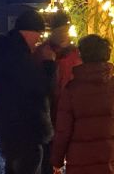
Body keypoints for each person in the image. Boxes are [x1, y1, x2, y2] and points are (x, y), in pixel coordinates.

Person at [0, 10, 56, 174]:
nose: (38, 40)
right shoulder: (18, 56)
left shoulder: (3, 52)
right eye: (38, 34)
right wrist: (49, 65)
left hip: (9, 128)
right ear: (29, 32)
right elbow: (40, 88)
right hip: (26, 129)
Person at [51, 35, 114, 174]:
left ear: (82, 55)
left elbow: (63, 130)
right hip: (112, 159)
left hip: (81, 160)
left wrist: (57, 160)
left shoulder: (72, 89)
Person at [36, 12, 81, 174]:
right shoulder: (42, 53)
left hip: (70, 111)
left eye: (67, 31)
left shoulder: (76, 54)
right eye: (60, 31)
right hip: (49, 111)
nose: (64, 35)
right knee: (48, 155)